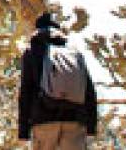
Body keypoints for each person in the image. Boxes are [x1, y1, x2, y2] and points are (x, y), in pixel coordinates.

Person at [16, 13, 97, 149]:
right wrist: (91, 127)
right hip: (74, 121)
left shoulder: (32, 51)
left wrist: (23, 130)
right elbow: (89, 91)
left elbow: (26, 92)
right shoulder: (74, 53)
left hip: (43, 121)